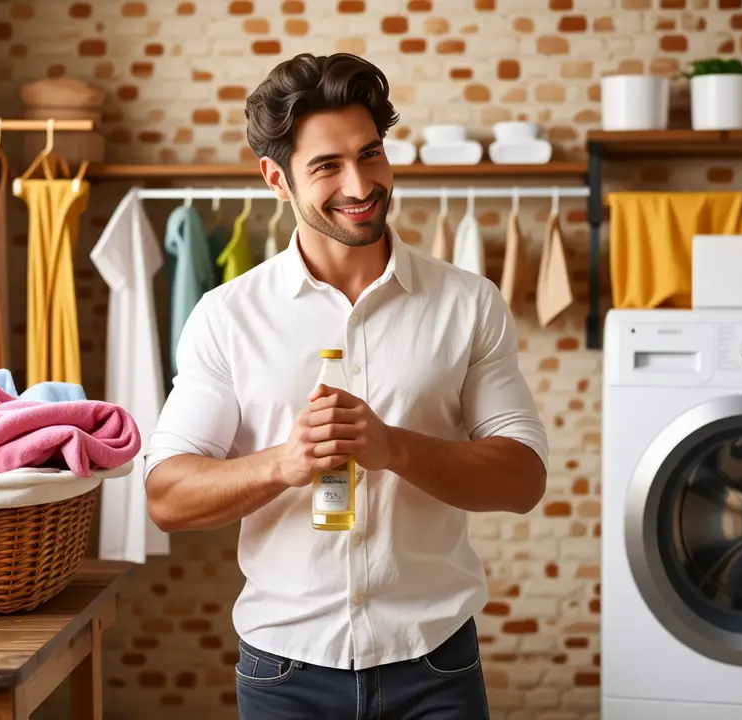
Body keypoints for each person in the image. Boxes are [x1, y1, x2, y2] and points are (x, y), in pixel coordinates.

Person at [144, 52, 549, 719]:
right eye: (327, 166)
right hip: (285, 676)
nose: (360, 184)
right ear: (276, 178)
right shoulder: (227, 316)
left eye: (371, 154)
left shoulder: (468, 304)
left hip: (436, 669)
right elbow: (166, 496)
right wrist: (285, 461)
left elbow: (523, 478)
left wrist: (394, 448)